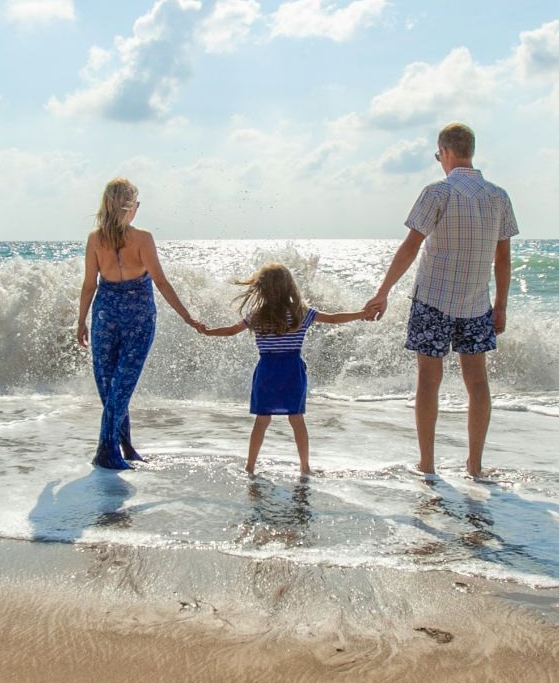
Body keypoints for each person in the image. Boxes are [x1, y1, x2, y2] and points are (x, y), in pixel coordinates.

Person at [361, 123, 518, 479]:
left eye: (438, 155)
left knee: (428, 382)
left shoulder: (438, 193)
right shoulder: (498, 196)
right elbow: (503, 259)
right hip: (477, 304)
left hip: (433, 300)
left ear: (445, 152)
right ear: (471, 151)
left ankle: (427, 464)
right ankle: (474, 465)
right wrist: (502, 305)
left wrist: (383, 291)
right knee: (477, 383)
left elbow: (410, 247)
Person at [75, 177, 202, 470]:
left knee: (112, 386)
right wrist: (187, 316)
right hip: (138, 317)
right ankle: (107, 450)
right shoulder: (142, 238)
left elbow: (89, 285)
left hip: (105, 314)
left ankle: (124, 446)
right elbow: (160, 281)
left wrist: (81, 320)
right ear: (130, 206)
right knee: (120, 386)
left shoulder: (96, 239)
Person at [196, 263, 370, 476]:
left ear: (262, 288)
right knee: (297, 419)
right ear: (289, 287)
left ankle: (250, 466)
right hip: (292, 371)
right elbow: (334, 318)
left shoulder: (257, 315)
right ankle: (305, 467)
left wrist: (208, 332)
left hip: (267, 371)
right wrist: (362, 314)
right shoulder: (301, 313)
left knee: (262, 421)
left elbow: (232, 331)